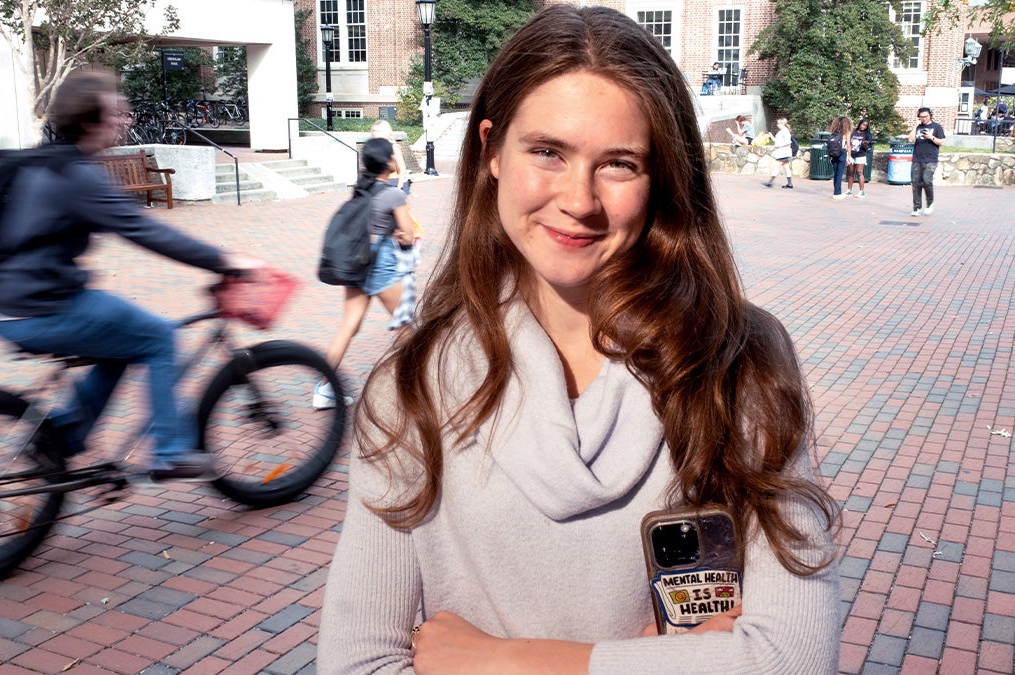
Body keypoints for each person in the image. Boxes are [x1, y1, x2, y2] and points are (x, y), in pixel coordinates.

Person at [318, 5, 841, 674]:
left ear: (663, 181)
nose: (579, 199)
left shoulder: (740, 361)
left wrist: (505, 661)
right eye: (547, 152)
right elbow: (355, 660)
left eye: (619, 164)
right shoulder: (413, 386)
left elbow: (791, 659)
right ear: (492, 153)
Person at [0, 71, 258, 482]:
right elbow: (146, 230)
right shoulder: (78, 174)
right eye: (116, 113)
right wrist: (225, 260)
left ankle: (64, 438)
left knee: (120, 346)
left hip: (5, 302)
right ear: (90, 122)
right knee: (158, 337)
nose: (124, 120)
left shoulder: (47, 161)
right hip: (39, 306)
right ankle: (170, 452)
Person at [315, 137, 417, 409]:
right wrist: (400, 233)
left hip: (357, 263)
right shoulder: (394, 194)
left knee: (349, 326)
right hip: (381, 266)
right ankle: (421, 388)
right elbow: (408, 235)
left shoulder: (362, 189)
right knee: (408, 327)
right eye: (394, 152)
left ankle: (323, 389)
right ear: (388, 162)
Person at [910, 107, 945, 216]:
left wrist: (931, 137)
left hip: (931, 159)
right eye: (921, 117)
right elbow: (910, 139)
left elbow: (941, 142)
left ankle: (930, 203)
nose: (924, 119)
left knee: (926, 180)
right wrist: (915, 126)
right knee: (916, 183)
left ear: (930, 115)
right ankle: (917, 208)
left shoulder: (937, 127)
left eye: (926, 116)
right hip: (917, 158)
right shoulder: (918, 127)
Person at [370, 119, 410, 192]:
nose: (375, 133)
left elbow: (402, 169)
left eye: (378, 131)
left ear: (385, 132)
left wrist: (399, 188)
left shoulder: (393, 148)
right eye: (373, 131)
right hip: (377, 184)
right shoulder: (373, 148)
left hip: (392, 182)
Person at [762, 116, 795, 189]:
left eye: (778, 124)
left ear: (782, 124)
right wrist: (771, 136)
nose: (777, 125)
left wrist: (779, 146)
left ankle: (770, 182)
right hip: (783, 152)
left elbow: (788, 142)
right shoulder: (782, 131)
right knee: (786, 167)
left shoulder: (785, 131)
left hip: (783, 152)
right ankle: (789, 183)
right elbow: (776, 141)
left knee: (777, 166)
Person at [826, 115, 852, 200]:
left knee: (835, 173)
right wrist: (849, 156)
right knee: (839, 174)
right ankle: (837, 193)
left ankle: (836, 191)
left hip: (833, 154)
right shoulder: (847, 132)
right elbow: (848, 146)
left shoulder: (834, 132)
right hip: (842, 153)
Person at [846, 118, 873, 198]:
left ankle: (861, 192)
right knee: (851, 173)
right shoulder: (853, 132)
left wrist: (865, 144)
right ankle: (849, 190)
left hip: (861, 155)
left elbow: (867, 148)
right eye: (862, 124)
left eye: (865, 126)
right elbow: (849, 143)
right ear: (860, 124)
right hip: (852, 154)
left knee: (859, 172)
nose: (863, 127)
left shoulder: (867, 135)